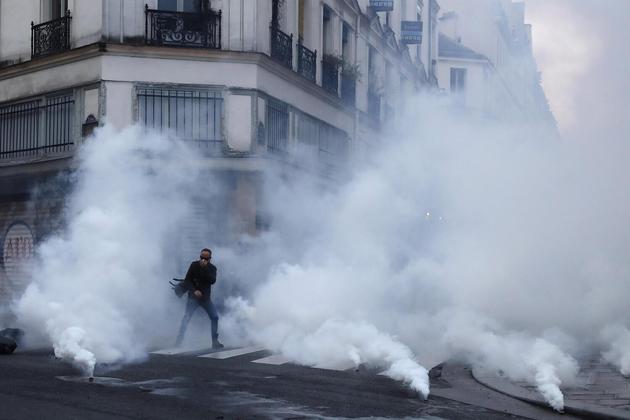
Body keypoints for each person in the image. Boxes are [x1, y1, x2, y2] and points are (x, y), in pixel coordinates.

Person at [175, 248, 224, 349]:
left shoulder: (212, 268)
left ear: (210, 259)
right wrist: (194, 291)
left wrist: (205, 268)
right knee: (186, 318)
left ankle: (214, 341)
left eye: (206, 258)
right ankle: (179, 341)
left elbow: (212, 280)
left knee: (214, 317)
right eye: (202, 257)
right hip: (193, 298)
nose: (203, 260)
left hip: (205, 299)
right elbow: (187, 280)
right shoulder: (194, 265)